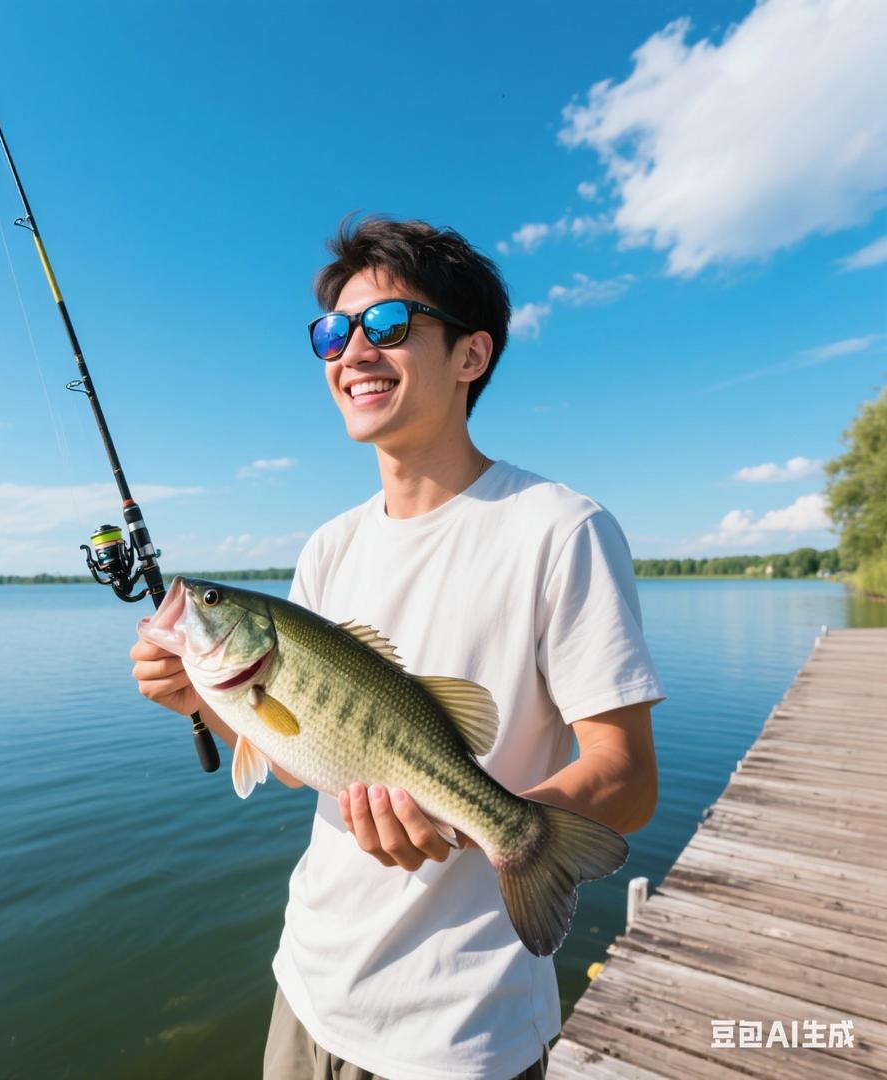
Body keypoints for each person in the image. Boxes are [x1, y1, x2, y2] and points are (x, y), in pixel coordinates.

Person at [131, 217, 665, 1080]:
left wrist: (505, 829)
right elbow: (305, 754)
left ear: (470, 356)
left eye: (387, 326)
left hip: (460, 1036)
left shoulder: (559, 529)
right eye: (333, 334)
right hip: (308, 988)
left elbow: (629, 776)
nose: (351, 354)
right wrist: (202, 699)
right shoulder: (328, 547)